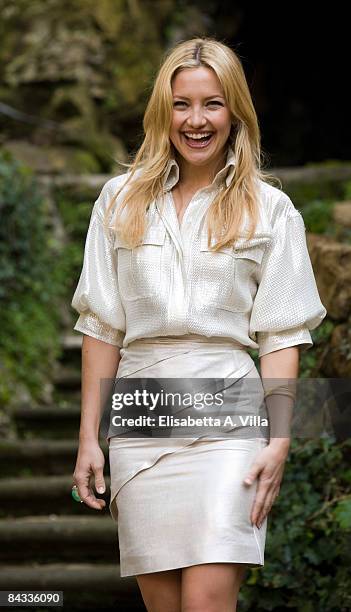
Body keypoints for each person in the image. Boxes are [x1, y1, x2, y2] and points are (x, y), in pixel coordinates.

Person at [70, 37, 327, 612]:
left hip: (230, 418)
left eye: (212, 103)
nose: (196, 120)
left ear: (234, 111)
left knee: (208, 603)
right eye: (182, 104)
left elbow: (281, 333)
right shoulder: (117, 202)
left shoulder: (270, 208)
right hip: (141, 417)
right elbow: (103, 328)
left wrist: (279, 438)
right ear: (163, 112)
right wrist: (90, 436)